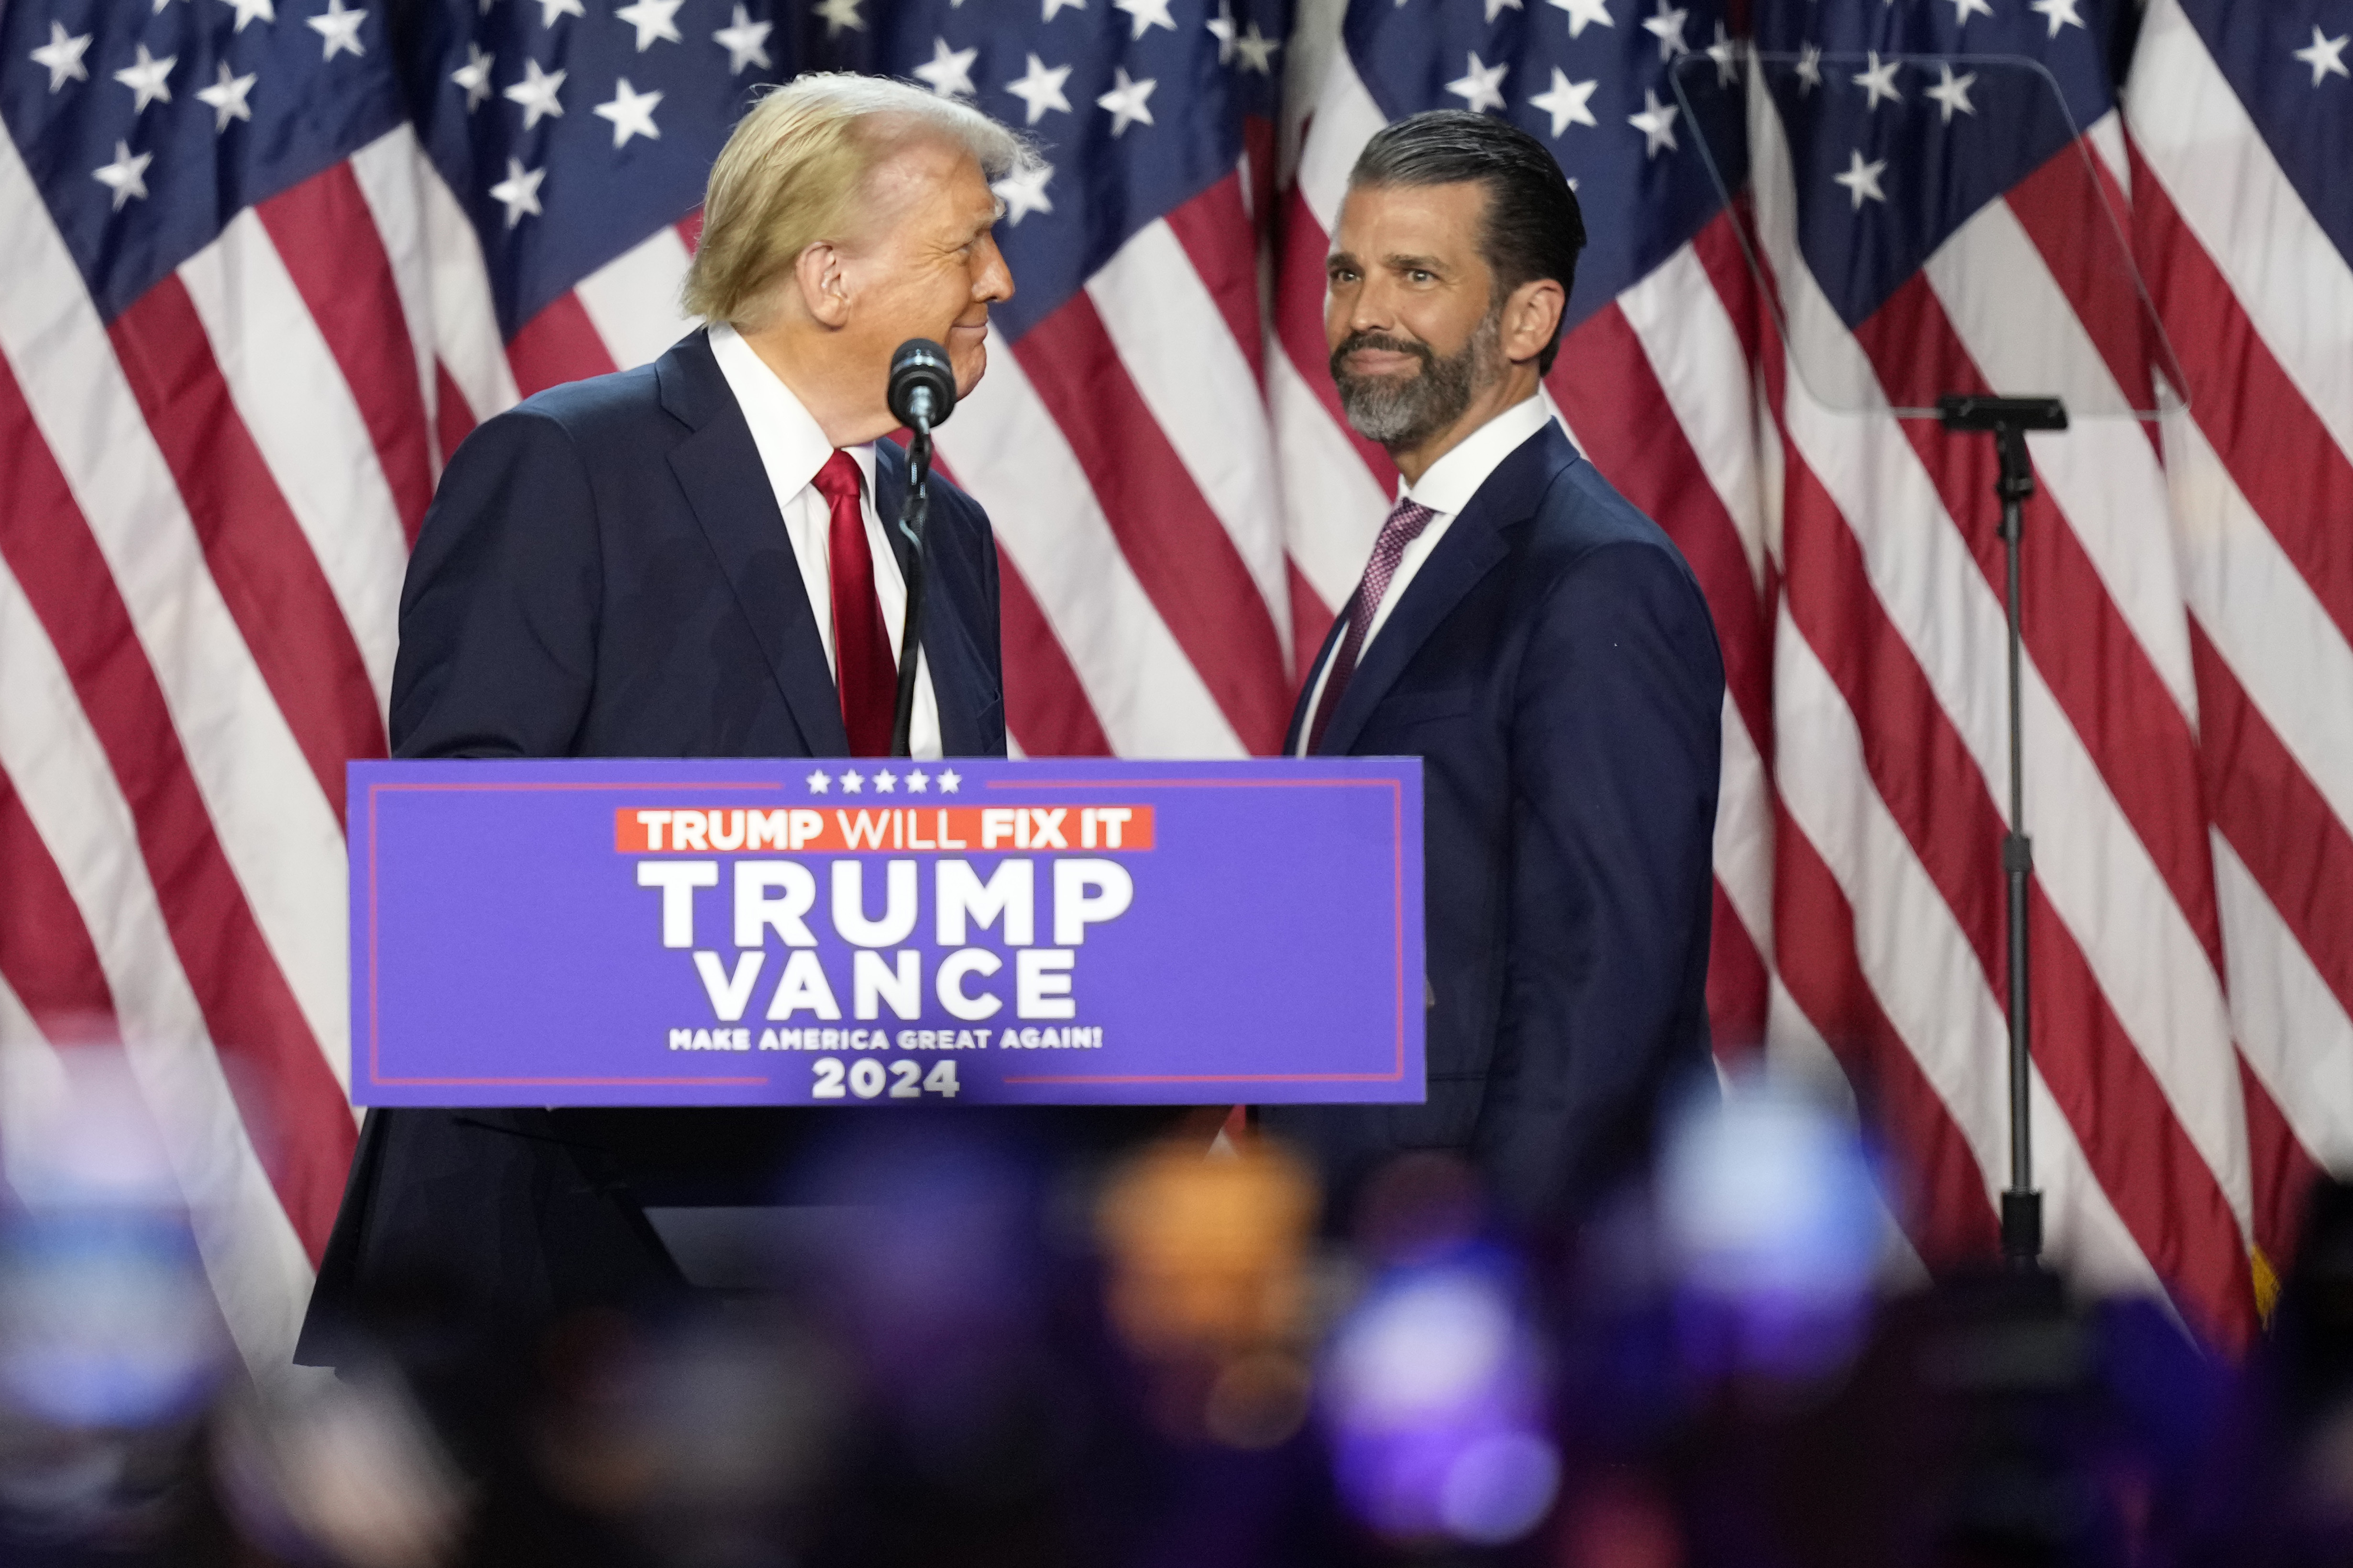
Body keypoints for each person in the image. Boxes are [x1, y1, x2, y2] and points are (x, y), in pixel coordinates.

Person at [300, 76, 1115, 1364]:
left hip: (818, 1265)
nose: (1003, 280)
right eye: (969, 243)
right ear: (829, 278)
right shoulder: (567, 467)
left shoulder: (943, 533)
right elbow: (462, 866)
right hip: (546, 1266)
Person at [1258, 111, 1725, 1230]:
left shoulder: (1596, 574)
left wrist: (1495, 1265)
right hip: (1357, 1224)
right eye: (1346, 272)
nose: (1364, 313)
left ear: (1529, 317)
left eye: (1417, 274)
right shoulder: (1416, 552)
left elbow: (1597, 984)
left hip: (1491, 1249)